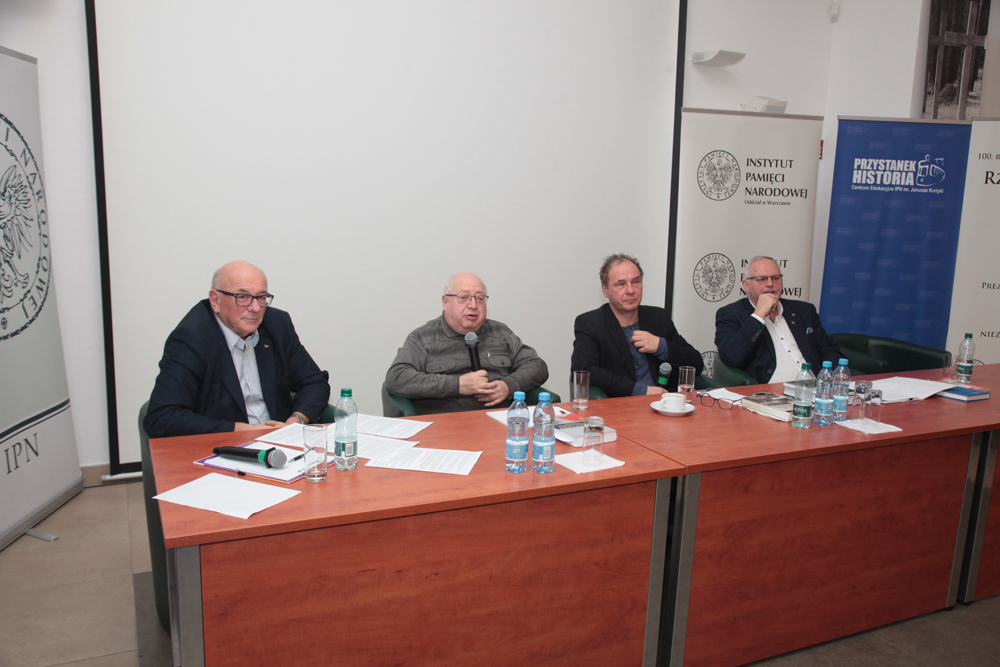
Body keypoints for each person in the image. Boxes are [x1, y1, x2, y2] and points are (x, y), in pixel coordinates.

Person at [144, 261, 330, 438]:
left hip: (280, 444)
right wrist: (242, 431)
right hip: (223, 447)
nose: (255, 308)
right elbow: (162, 418)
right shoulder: (192, 337)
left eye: (261, 297)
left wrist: (294, 422)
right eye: (243, 297)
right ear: (215, 301)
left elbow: (314, 382)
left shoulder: (277, 324)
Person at [385, 272, 548, 415]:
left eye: (480, 299)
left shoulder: (500, 333)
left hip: (499, 423)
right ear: (445, 302)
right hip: (445, 426)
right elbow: (397, 378)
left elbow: (537, 366)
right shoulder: (423, 337)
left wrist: (508, 386)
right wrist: (458, 385)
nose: (473, 305)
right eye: (463, 298)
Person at [571, 254, 703, 396]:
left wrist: (661, 346)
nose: (631, 290)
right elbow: (584, 370)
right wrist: (641, 391)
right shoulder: (590, 323)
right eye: (621, 284)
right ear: (605, 290)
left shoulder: (659, 317)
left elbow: (696, 364)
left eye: (635, 282)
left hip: (666, 403)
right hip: (624, 404)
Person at [715, 255, 841, 384]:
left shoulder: (804, 310)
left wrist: (835, 376)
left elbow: (827, 348)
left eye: (775, 278)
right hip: (771, 390)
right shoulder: (730, 314)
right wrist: (759, 315)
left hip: (815, 387)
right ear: (746, 285)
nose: (770, 284)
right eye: (762, 279)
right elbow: (730, 357)